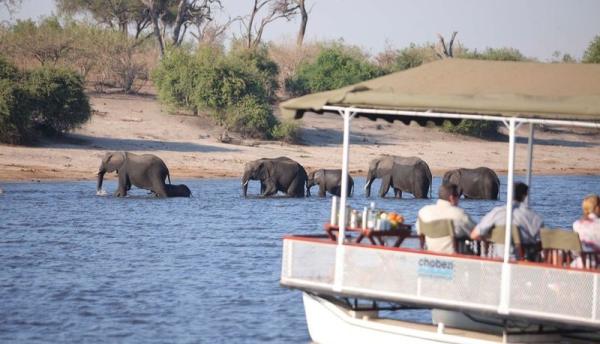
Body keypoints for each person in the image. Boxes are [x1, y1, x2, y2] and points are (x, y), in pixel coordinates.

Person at [470, 182, 543, 260]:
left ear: (509, 194)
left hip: (497, 262)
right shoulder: (534, 217)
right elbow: (544, 242)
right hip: (524, 264)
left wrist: (491, 240)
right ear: (525, 196)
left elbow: (474, 235)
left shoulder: (496, 212)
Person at [417, 183, 476, 253]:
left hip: (430, 256)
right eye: (458, 196)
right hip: (457, 257)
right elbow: (477, 233)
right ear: (452, 198)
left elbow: (419, 232)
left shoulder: (424, 211)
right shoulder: (459, 214)